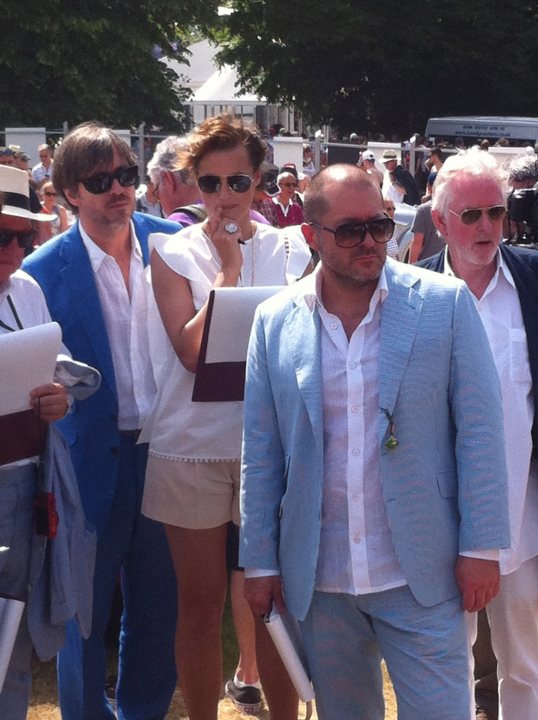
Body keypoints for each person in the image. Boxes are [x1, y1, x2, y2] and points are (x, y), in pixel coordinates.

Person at [240, 163, 510, 720]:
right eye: (350, 230)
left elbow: (481, 432)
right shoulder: (273, 321)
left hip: (423, 571)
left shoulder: (446, 303)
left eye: (380, 227)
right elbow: (261, 451)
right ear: (310, 236)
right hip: (320, 577)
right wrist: (260, 562)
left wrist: (482, 548)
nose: (369, 241)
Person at [141, 114, 312, 720]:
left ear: (259, 180)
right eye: (208, 184)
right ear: (192, 184)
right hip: (191, 446)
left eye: (236, 181)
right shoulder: (170, 250)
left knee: (272, 599)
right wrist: (228, 273)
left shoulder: (291, 249)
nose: (223, 197)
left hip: (268, 447)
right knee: (200, 602)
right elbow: (190, 352)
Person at [23, 122, 180, 720]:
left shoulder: (171, 245)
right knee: (81, 615)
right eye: (100, 180)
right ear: (68, 192)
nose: (119, 188)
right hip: (86, 458)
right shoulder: (41, 270)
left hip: (165, 451)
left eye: (127, 175)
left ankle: (142, 712)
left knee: (158, 609)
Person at [421, 149, 538, 720]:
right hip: (442, 519)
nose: (487, 227)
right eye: (470, 215)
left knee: (528, 666)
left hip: (526, 513)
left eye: (495, 212)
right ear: (439, 221)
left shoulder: (534, 282)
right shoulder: (409, 295)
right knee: (448, 662)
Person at [0, 165, 69, 718]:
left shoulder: (27, 288)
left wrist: (58, 399)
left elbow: (54, 371)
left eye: (25, 237)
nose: (16, 250)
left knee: (13, 639)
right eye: (3, 236)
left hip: (24, 482)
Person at [37, 180, 69, 244]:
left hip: (57, 243)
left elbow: (64, 232)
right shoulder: (37, 209)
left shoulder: (61, 210)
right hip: (41, 244)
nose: (52, 197)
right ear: (43, 194)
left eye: (54, 194)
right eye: (48, 194)